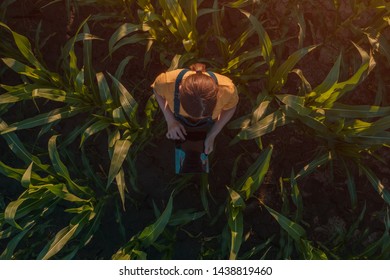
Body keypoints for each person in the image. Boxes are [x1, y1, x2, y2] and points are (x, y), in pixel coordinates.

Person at [151, 63, 238, 156]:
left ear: (218, 94)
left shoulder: (227, 90)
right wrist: (170, 120)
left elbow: (231, 107)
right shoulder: (167, 82)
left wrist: (212, 134)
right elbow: (156, 90)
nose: (197, 120)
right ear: (179, 90)